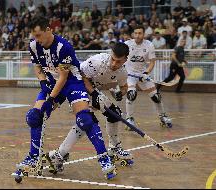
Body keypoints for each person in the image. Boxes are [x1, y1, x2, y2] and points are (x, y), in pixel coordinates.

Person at [15, 17, 116, 179]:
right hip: (51, 83)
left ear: (49, 30)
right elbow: (38, 68)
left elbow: (63, 77)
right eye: (34, 36)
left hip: (71, 82)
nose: (37, 39)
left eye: (39, 35)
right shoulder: (34, 46)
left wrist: (50, 100)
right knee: (35, 117)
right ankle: (34, 157)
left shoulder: (64, 47)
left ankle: (104, 158)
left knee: (85, 119)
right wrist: (42, 83)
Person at [47, 42, 134, 172]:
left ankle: (114, 147)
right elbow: (81, 76)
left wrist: (119, 94)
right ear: (110, 55)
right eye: (113, 59)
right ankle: (59, 154)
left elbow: (124, 87)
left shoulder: (122, 72)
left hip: (93, 90)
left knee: (113, 114)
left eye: (118, 62)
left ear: (125, 60)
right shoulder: (98, 61)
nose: (114, 64)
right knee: (88, 119)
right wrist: (94, 93)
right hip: (76, 84)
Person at [124, 26, 172, 129]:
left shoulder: (149, 45)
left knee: (156, 97)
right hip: (130, 75)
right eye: (135, 33)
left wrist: (146, 73)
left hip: (143, 74)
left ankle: (163, 117)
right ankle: (129, 119)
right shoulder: (127, 45)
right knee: (131, 94)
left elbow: (152, 62)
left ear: (144, 34)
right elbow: (120, 57)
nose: (137, 35)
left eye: (140, 33)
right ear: (133, 34)